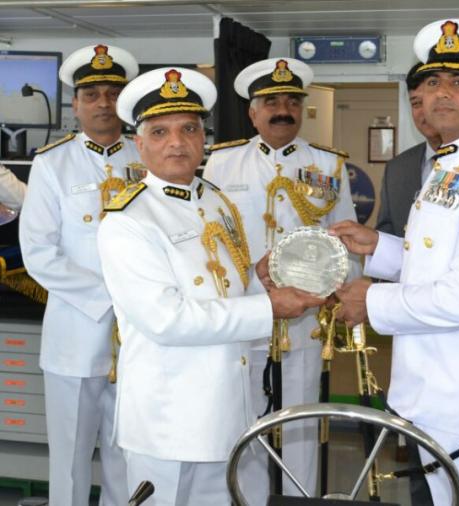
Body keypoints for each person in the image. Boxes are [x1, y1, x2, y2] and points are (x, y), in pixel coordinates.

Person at [329, 18, 459, 506]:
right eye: (433, 82)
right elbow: (433, 263)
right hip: (432, 389)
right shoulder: (451, 164)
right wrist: (377, 247)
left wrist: (371, 301)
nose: (441, 93)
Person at [97, 67, 323, 505]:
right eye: (159, 132)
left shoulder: (215, 200)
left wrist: (258, 278)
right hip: (170, 420)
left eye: (189, 129)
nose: (176, 142)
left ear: (204, 137)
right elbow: (167, 319)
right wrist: (269, 308)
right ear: (139, 144)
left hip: (231, 406)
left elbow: (226, 285)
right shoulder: (128, 220)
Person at [203, 57, 359, 500]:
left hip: (304, 322)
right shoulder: (222, 162)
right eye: (271, 102)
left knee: (301, 425)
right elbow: (210, 241)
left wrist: (336, 291)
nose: (283, 110)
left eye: (292, 102)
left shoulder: (327, 165)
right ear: (253, 112)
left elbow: (347, 242)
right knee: (245, 423)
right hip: (245, 314)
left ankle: (299, 498)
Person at [19, 44, 140, 506]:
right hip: (75, 337)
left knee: (126, 456)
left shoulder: (148, 156)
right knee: (69, 461)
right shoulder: (52, 164)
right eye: (92, 95)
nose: (103, 103)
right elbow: (39, 253)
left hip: (140, 337)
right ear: (76, 104)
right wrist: (111, 297)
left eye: (113, 93)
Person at [375, 62, 441, 236]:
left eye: (432, 102)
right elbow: (387, 233)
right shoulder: (397, 169)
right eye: (416, 103)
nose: (425, 112)